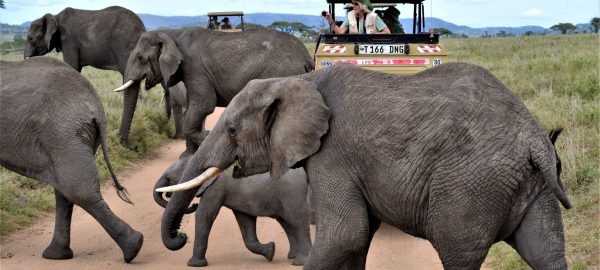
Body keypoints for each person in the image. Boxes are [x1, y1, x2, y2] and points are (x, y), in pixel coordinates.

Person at [323, 0, 390, 34]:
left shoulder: (373, 16)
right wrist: (330, 20)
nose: (353, 6)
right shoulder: (350, 15)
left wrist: (373, 35)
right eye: (353, 4)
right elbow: (340, 32)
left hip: (370, 48)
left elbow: (387, 32)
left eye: (356, 4)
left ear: (363, 6)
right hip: (354, 49)